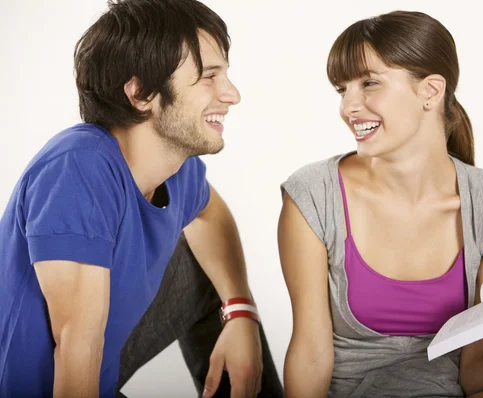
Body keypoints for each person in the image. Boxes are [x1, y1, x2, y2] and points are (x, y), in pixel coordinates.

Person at [277, 10, 483, 398]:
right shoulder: (314, 195)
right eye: (342, 89)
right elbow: (310, 354)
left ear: (430, 91)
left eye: (369, 83)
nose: (348, 107)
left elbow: (478, 372)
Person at [0, 0, 282, 397]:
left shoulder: (178, 168)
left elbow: (209, 213)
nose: (231, 94)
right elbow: (76, 345)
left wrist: (240, 312)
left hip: (98, 368)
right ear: (142, 93)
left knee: (203, 266)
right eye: (208, 77)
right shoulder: (78, 168)